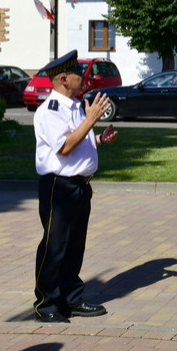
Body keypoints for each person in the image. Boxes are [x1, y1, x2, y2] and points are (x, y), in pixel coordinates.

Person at [33, 49, 118, 323]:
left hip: (81, 186)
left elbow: (78, 139)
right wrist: (91, 119)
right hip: (59, 186)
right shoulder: (50, 110)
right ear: (62, 80)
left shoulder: (76, 106)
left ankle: (70, 299)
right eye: (77, 74)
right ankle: (46, 304)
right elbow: (66, 146)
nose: (82, 77)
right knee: (54, 246)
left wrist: (99, 139)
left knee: (74, 246)